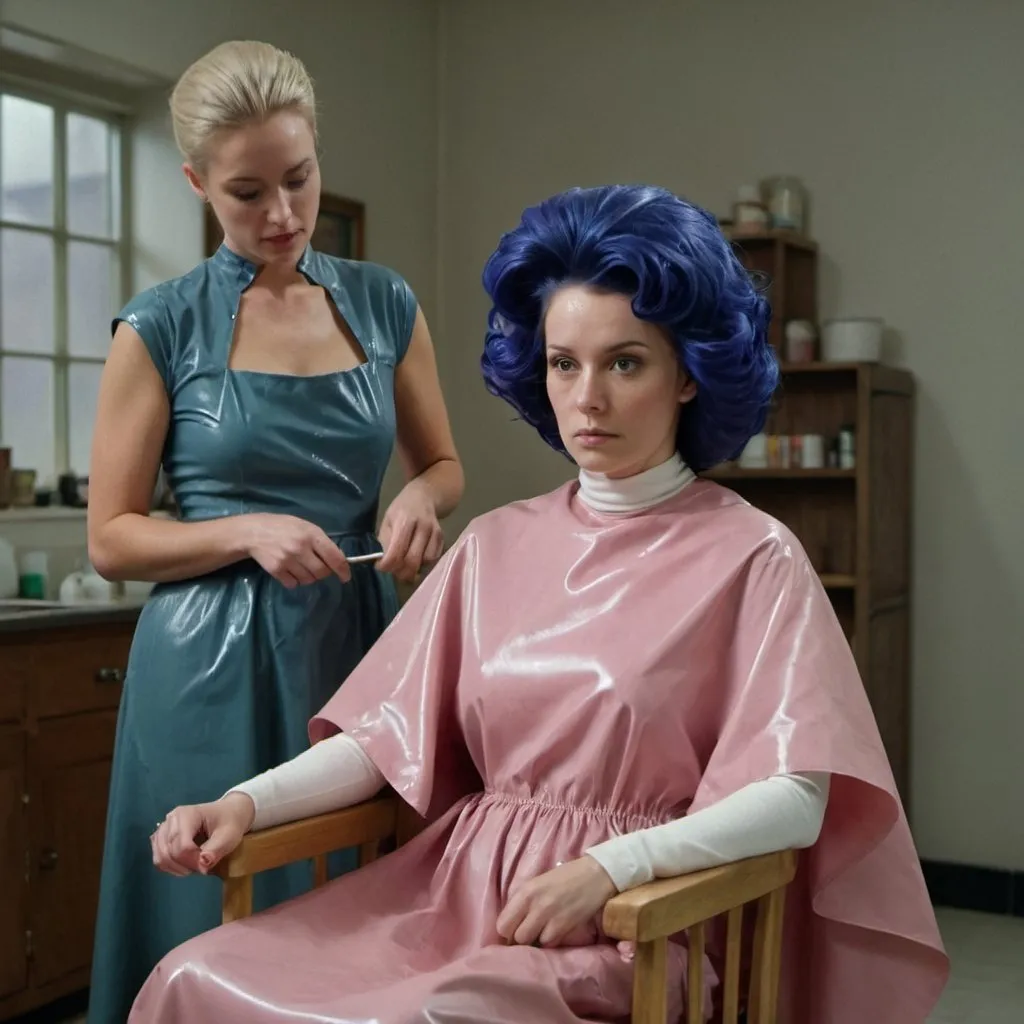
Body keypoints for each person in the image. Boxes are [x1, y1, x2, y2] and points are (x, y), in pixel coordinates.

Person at [134, 185, 948, 1023]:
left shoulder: (754, 557)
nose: (587, 396)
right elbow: (381, 739)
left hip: (632, 926)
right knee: (196, 972)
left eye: (624, 362)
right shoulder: (493, 545)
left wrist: (614, 870)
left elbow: (794, 797)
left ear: (690, 377)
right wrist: (245, 803)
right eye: (565, 363)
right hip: (448, 901)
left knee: (428, 1016)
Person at [85, 40, 463, 1024]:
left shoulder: (384, 303)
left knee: (352, 910)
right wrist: (246, 529)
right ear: (197, 183)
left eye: (298, 179)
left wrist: (423, 497)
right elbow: (112, 538)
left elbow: (442, 464)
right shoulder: (158, 327)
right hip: (202, 672)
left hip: (354, 642)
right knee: (206, 906)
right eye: (247, 192)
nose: (282, 215)